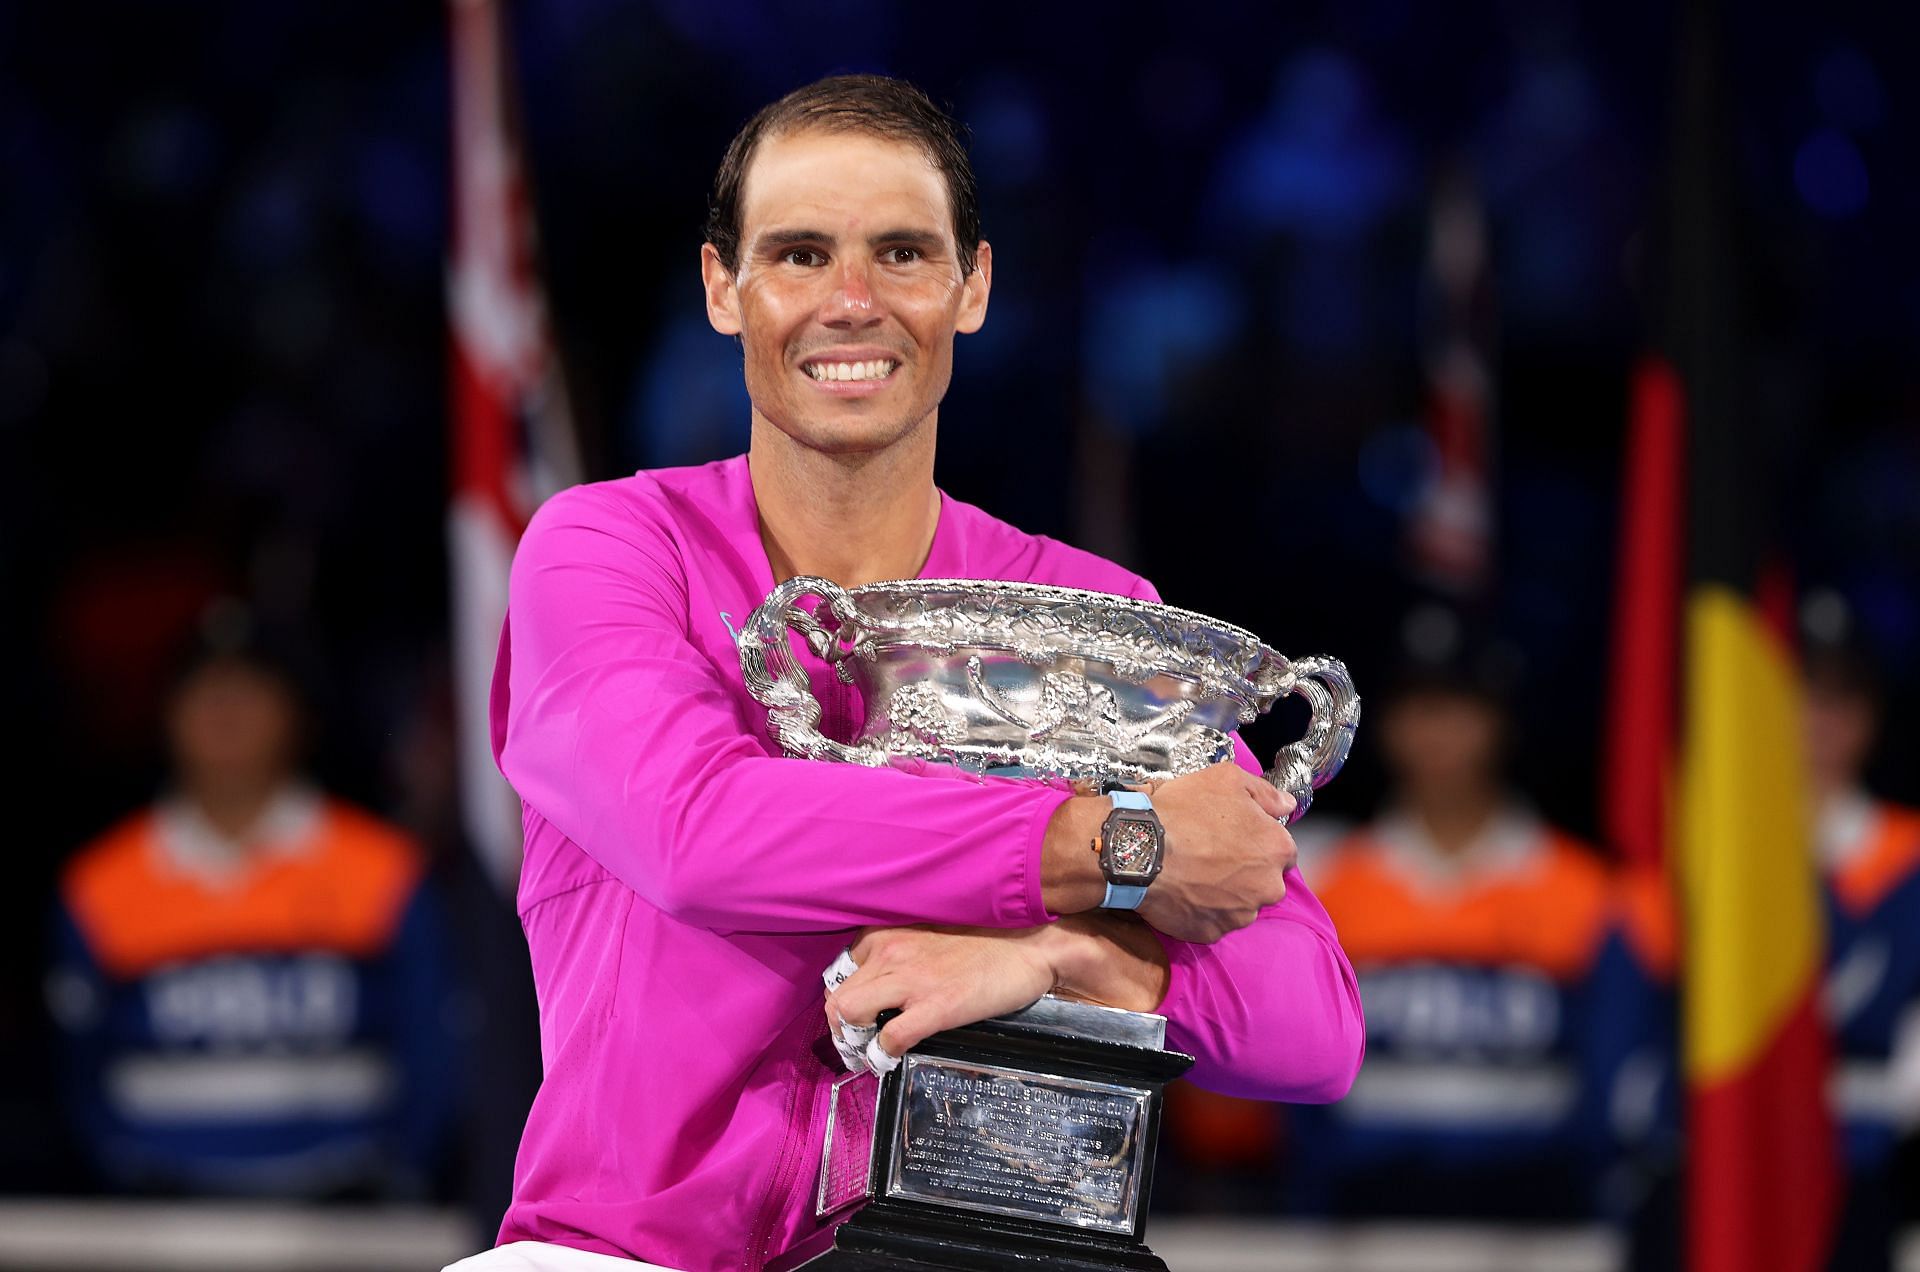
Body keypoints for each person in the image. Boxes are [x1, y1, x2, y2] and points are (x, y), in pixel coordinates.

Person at [452, 75, 1364, 1272]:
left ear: (970, 286)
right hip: (630, 1256)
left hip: (978, 1250)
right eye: (798, 254)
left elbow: (1311, 1022)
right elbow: (695, 831)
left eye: (899, 253)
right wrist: (1110, 850)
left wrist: (1051, 957)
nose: (850, 302)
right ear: (723, 287)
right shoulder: (610, 549)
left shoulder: (1092, 615)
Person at [46, 616, 454, 1197]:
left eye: (251, 691)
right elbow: (75, 1080)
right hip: (151, 1225)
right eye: (205, 692)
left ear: (296, 715)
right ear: (168, 713)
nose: (226, 713)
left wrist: (396, 1183)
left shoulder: (385, 872)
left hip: (349, 1224)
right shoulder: (100, 885)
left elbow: (432, 1055)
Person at [1285, 628, 1667, 1222]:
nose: (1438, 733)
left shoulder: (1588, 892)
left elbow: (1611, 1082)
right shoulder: (1320, 879)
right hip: (1356, 1217)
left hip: (1536, 1216)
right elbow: (1289, 1071)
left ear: (1500, 724)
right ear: (1384, 726)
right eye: (1418, 709)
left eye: (1460, 710)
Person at [1804, 639, 1920, 1272]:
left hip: (1877, 1184)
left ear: (1873, 717)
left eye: (1841, 699)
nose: (1820, 720)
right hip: (1733, 1175)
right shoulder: (1703, 852)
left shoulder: (1911, 861)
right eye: (1804, 697)